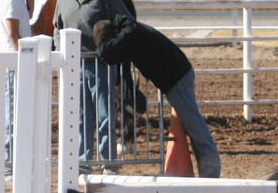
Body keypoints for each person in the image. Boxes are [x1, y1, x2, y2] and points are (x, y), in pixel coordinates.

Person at [93, 15, 221, 178]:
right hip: (177, 76)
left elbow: (106, 52)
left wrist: (102, 50)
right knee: (193, 126)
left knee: (195, 127)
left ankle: (211, 175)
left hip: (176, 79)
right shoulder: (131, 31)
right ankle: (209, 173)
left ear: (116, 34)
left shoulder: (129, 35)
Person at [52, 0, 133, 173]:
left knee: (104, 114)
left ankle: (108, 163)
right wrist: (61, 52)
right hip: (74, 66)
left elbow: (127, 22)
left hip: (101, 64)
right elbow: (57, 28)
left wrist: (112, 50)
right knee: (80, 116)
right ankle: (83, 161)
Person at [0, 0, 38, 175]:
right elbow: (13, 33)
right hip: (14, 62)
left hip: (16, 62)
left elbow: (28, 16)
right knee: (11, 114)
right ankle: (8, 166)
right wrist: (24, 60)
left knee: (14, 113)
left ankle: (12, 164)